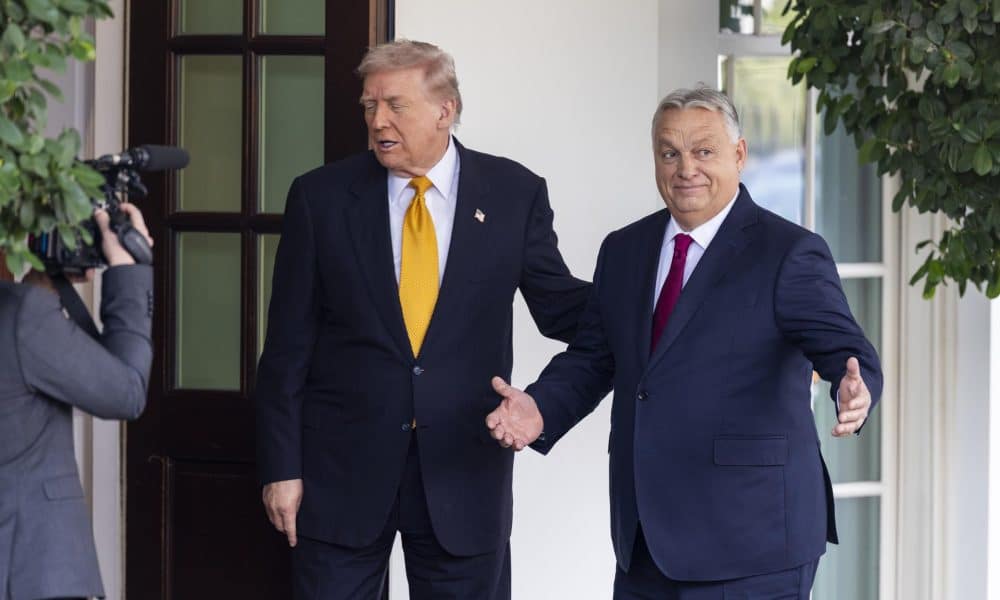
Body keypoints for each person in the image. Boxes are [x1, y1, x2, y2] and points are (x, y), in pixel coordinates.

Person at [487, 86, 883, 599]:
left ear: (738, 155)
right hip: (645, 538)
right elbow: (595, 358)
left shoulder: (788, 252)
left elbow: (845, 351)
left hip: (752, 544)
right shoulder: (625, 249)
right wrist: (540, 409)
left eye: (703, 151)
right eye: (669, 153)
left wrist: (855, 390)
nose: (685, 168)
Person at [254, 39, 590, 599]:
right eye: (368, 106)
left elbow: (563, 310)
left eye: (394, 105)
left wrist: (647, 304)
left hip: (463, 471)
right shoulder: (320, 197)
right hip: (339, 478)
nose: (378, 121)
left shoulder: (512, 194)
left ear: (445, 108)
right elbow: (287, 347)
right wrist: (280, 467)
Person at [0, 204, 154, 600]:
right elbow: (126, 393)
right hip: (31, 574)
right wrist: (128, 270)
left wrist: (42, 288)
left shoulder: (23, 315)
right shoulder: (19, 317)